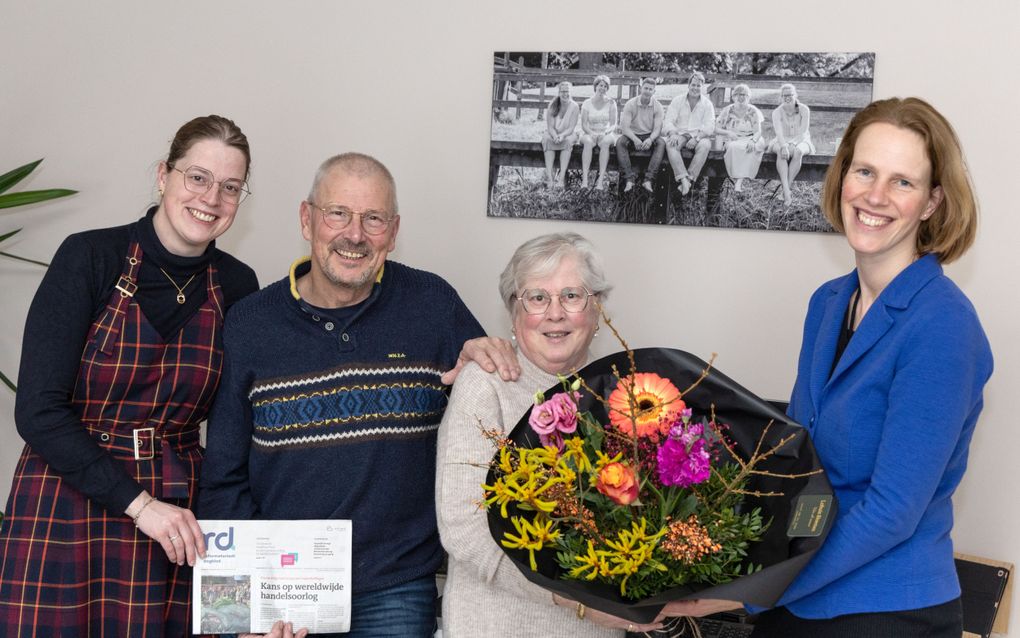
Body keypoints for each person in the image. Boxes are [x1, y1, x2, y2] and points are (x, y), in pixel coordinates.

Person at [663, 97, 994, 636]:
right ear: (842, 176)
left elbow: (892, 510)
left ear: (932, 203)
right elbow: (799, 459)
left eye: (902, 182)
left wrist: (752, 591)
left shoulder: (942, 325)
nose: (875, 196)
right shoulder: (828, 301)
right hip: (799, 596)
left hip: (886, 608)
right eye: (864, 171)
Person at [197, 152, 515, 638]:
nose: (355, 234)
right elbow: (223, 474)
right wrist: (246, 603)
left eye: (374, 219)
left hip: (394, 585)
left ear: (394, 230)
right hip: (281, 587)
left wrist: (490, 358)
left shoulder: (433, 304)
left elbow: (492, 426)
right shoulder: (249, 323)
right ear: (307, 219)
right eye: (338, 213)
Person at [0, 115, 259, 635]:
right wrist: (141, 507)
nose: (211, 198)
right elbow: (37, 410)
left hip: (180, 516)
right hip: (66, 501)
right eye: (198, 177)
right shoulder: (90, 257)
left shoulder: (238, 284)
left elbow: (246, 421)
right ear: (163, 175)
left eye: (231, 187)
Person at [435, 232, 663, 637]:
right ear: (514, 311)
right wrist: (572, 600)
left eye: (572, 296)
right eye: (537, 298)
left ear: (597, 310)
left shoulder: (624, 395)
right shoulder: (484, 385)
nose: (555, 313)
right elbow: (463, 529)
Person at [663, 71, 716, 195]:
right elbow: (668, 121)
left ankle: (690, 178)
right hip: (680, 134)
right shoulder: (678, 100)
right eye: (693, 85)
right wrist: (673, 133)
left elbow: (710, 126)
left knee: (705, 145)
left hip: (698, 135)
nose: (695, 88)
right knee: (670, 144)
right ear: (688, 85)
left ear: (702, 87)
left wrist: (697, 138)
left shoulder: (707, 104)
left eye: (698, 86)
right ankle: (683, 179)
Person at [616, 77, 666, 193]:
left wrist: (650, 139)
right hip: (632, 134)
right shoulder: (631, 104)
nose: (647, 91)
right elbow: (625, 127)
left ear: (654, 92)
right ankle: (629, 179)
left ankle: (648, 180)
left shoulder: (657, 106)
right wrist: (635, 139)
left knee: (661, 143)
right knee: (620, 142)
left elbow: (658, 128)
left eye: (650, 89)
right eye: (645, 88)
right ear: (640, 89)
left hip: (649, 134)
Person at [769, 83, 815, 205]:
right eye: (784, 96)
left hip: (802, 139)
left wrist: (793, 144)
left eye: (790, 95)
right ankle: (787, 193)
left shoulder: (804, 110)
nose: (787, 98)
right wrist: (784, 146)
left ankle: (785, 191)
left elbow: (803, 132)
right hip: (781, 140)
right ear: (781, 97)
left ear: (795, 95)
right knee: (781, 152)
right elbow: (778, 133)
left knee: (798, 152)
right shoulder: (777, 112)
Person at [715, 83, 767, 192]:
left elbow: (758, 132)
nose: (741, 97)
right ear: (733, 97)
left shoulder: (753, 111)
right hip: (734, 138)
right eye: (738, 94)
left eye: (744, 94)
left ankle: (739, 181)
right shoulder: (727, 110)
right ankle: (738, 178)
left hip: (752, 138)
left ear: (749, 97)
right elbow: (716, 129)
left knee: (751, 147)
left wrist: (753, 141)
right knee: (734, 147)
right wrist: (728, 133)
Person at [579, 75, 619, 190]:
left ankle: (600, 181)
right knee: (587, 141)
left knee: (606, 142)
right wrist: (591, 133)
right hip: (590, 132)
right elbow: (584, 124)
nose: (603, 88)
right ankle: (585, 180)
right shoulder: (587, 103)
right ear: (595, 86)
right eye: (601, 85)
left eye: (605, 86)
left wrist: (606, 132)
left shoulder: (611, 103)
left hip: (605, 133)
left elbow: (613, 124)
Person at [542, 81, 580, 188]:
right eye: (562, 91)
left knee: (567, 142)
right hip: (553, 133)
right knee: (547, 140)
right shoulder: (552, 105)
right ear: (558, 92)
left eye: (567, 91)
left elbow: (571, 128)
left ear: (570, 92)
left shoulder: (574, 107)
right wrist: (554, 136)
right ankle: (550, 178)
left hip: (568, 134)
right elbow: (550, 127)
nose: (565, 94)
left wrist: (562, 136)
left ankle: (561, 178)